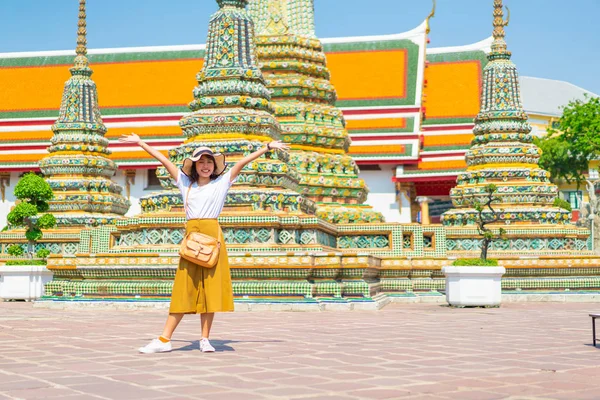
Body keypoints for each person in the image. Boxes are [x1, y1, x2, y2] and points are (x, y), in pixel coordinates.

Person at [118, 133, 289, 353]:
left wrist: (267, 147)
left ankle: (205, 339)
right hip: (192, 238)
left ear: (214, 166)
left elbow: (242, 163)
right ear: (195, 166)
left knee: (210, 289)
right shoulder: (185, 184)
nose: (205, 166)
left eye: (209, 162)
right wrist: (141, 143)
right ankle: (164, 339)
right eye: (201, 162)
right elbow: (165, 161)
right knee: (183, 289)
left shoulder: (222, 183)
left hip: (212, 236)